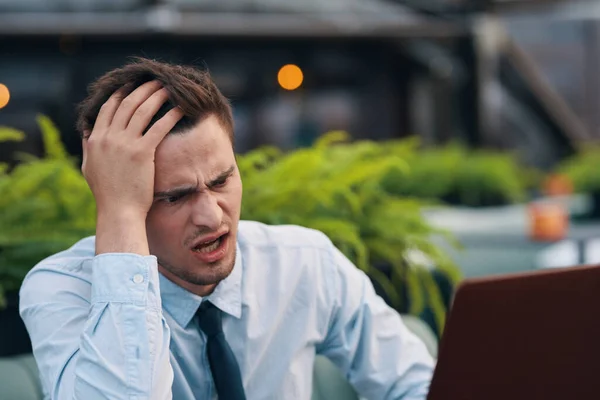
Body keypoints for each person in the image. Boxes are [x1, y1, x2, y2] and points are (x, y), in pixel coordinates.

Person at [19, 57, 435, 400]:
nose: (212, 217)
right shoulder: (63, 289)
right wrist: (120, 215)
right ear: (120, 195)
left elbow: (415, 386)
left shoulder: (303, 262)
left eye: (221, 181)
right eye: (175, 196)